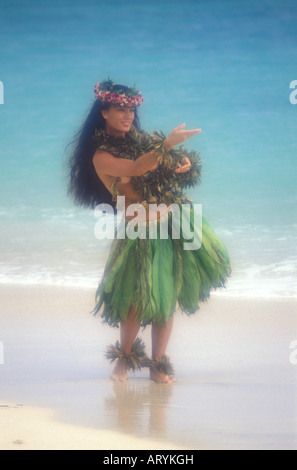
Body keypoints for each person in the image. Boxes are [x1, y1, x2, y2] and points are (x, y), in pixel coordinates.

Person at [68, 79, 231, 384]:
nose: (128, 115)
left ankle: (158, 365)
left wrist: (180, 162)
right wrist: (166, 146)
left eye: (131, 109)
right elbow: (136, 169)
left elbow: (162, 166)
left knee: (165, 298)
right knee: (133, 300)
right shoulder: (101, 156)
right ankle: (123, 362)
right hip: (139, 231)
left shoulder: (143, 140)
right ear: (104, 111)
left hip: (172, 223)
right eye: (119, 109)